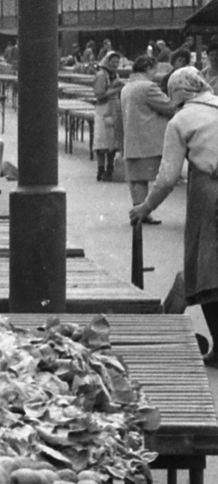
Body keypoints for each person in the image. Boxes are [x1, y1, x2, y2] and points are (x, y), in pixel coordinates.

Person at [132, 67, 218, 362]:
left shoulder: (181, 120)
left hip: (210, 194)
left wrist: (145, 207)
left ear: (176, 95)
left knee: (204, 271)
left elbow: (168, 178)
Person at [121, 54, 178, 225]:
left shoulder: (127, 87)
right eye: (154, 69)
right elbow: (168, 107)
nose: (155, 73)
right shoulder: (148, 87)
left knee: (136, 178)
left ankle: (137, 210)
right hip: (147, 141)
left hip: (132, 139)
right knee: (143, 178)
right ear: (148, 68)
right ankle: (142, 213)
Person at [93, 51, 126, 181]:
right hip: (103, 109)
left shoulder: (114, 75)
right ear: (107, 61)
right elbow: (99, 95)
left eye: (117, 62)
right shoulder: (101, 75)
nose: (115, 64)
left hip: (114, 109)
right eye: (113, 62)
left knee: (113, 141)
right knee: (102, 142)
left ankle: (110, 168)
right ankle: (101, 169)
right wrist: (116, 90)